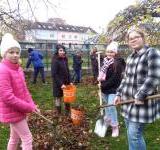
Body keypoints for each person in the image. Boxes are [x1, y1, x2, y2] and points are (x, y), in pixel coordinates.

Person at [114, 27, 160, 149]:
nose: (133, 40)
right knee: (132, 135)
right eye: (130, 39)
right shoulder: (130, 58)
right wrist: (118, 94)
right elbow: (125, 78)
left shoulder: (152, 53)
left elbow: (154, 77)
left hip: (141, 103)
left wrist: (141, 95)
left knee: (134, 135)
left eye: (136, 37)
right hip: (127, 101)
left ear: (143, 38)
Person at [0, 33, 39, 150]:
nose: (15, 55)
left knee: (14, 138)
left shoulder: (18, 69)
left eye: (17, 52)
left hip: (21, 109)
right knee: (27, 138)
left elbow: (25, 90)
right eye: (11, 52)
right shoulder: (3, 70)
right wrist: (28, 107)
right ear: (4, 54)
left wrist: (32, 105)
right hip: (13, 111)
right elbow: (8, 97)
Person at [97, 41, 126, 137]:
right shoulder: (104, 62)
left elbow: (115, 79)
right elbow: (102, 73)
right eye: (108, 52)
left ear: (115, 53)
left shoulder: (118, 63)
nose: (109, 54)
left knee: (111, 107)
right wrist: (99, 79)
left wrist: (103, 85)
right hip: (104, 89)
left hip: (114, 89)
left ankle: (115, 126)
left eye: (111, 52)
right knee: (107, 107)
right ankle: (107, 123)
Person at [51, 44, 72, 116]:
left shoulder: (65, 59)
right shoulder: (55, 60)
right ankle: (59, 113)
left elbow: (67, 71)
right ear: (57, 51)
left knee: (67, 98)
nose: (62, 52)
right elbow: (54, 74)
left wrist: (70, 81)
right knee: (58, 98)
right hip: (58, 83)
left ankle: (67, 112)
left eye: (63, 50)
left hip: (66, 82)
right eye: (60, 50)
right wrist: (61, 84)